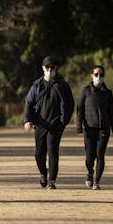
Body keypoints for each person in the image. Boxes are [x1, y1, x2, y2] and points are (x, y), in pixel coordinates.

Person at [23, 55, 74, 189]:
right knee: (39, 153)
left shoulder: (62, 85)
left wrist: (63, 122)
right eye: (47, 67)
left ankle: (52, 180)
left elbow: (70, 104)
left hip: (55, 125)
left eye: (52, 67)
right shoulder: (36, 85)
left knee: (53, 152)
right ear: (43, 68)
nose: (50, 70)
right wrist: (27, 120)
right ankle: (43, 173)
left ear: (56, 68)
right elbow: (29, 102)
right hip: (40, 124)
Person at [76, 65, 113, 190]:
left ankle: (97, 182)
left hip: (103, 128)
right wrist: (79, 126)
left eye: (101, 75)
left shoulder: (108, 93)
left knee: (100, 155)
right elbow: (80, 110)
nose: (98, 77)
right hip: (89, 129)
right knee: (90, 157)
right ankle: (90, 173)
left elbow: (112, 113)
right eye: (96, 74)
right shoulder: (85, 91)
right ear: (92, 75)